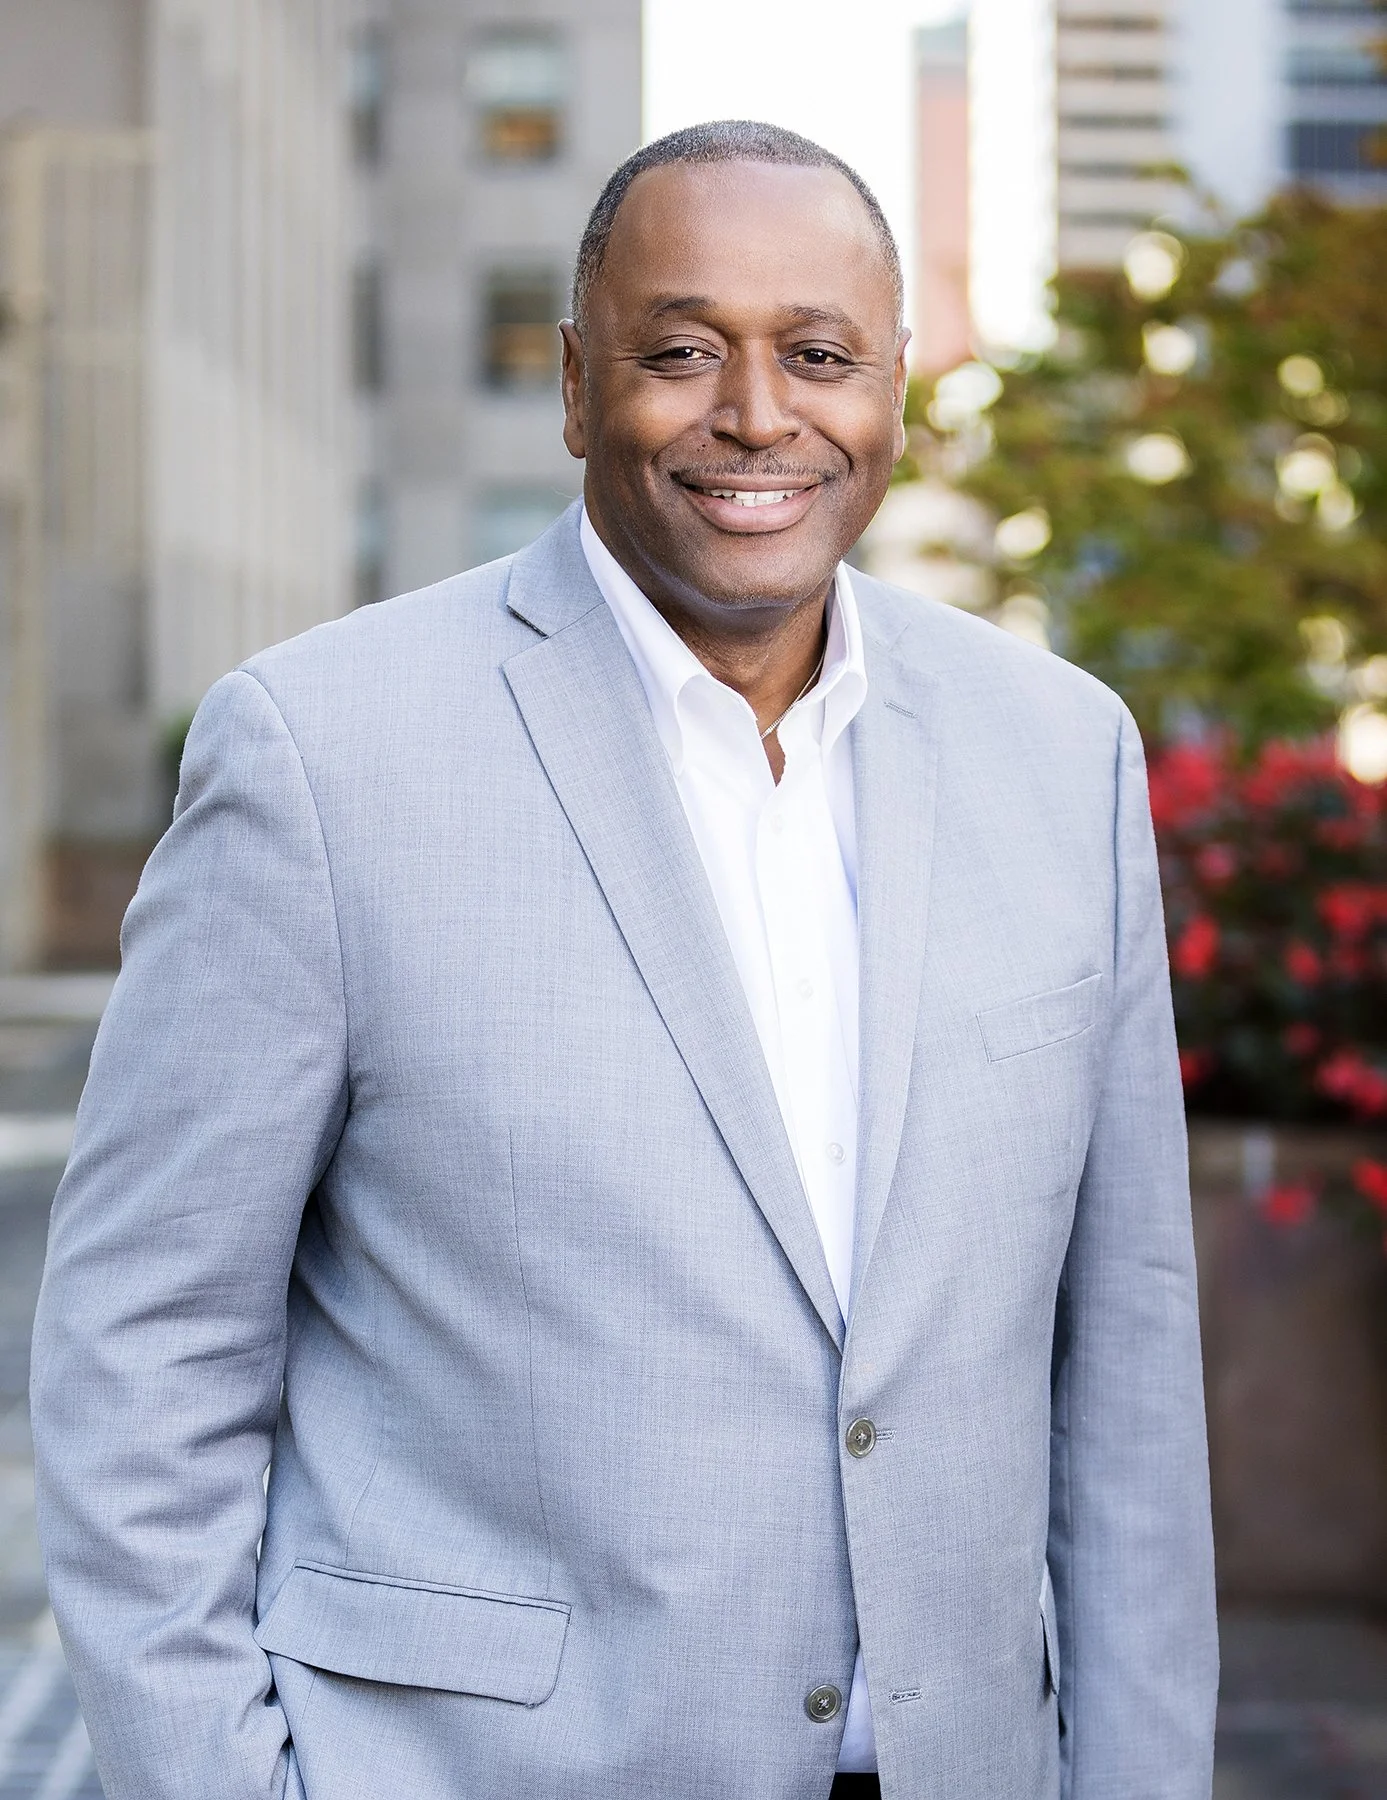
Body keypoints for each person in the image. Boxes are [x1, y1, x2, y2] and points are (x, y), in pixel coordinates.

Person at [30, 121, 1217, 1800]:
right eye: (680, 353)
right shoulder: (320, 755)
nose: (758, 414)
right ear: (578, 387)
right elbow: (143, 1355)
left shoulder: (1061, 754)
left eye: (819, 355)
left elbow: (1129, 1368)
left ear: (896, 391)